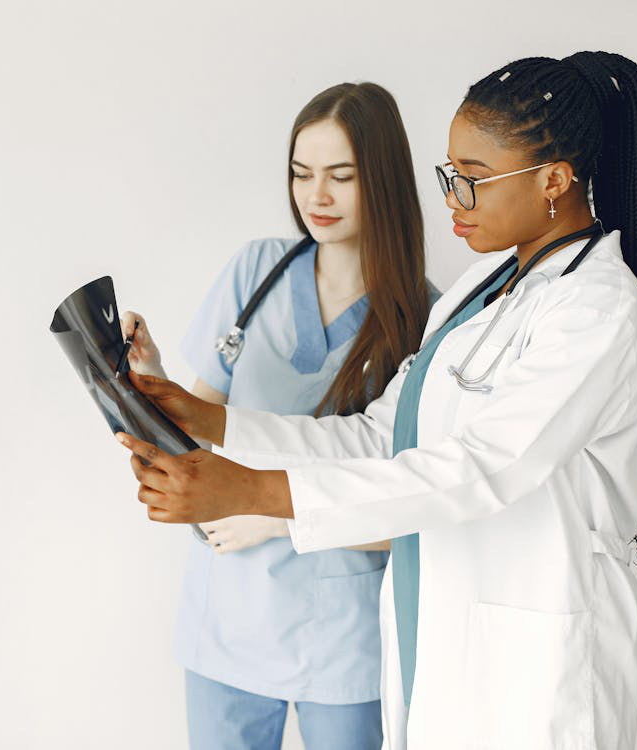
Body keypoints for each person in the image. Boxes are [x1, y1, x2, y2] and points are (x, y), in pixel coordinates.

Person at [117, 51, 637, 750]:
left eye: (472, 180)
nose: (451, 198)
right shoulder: (478, 296)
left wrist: (255, 494)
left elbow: (478, 469)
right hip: (438, 650)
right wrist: (206, 417)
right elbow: (379, 436)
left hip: (533, 674)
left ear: (553, 182)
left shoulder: (597, 312)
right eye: (449, 175)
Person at [120, 82, 437, 750]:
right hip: (227, 614)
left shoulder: (425, 322)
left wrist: (275, 521)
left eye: (340, 176)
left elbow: (413, 505)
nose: (315, 196)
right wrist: (148, 376)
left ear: (380, 179)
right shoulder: (256, 270)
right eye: (301, 174)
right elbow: (198, 432)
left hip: (340, 635)